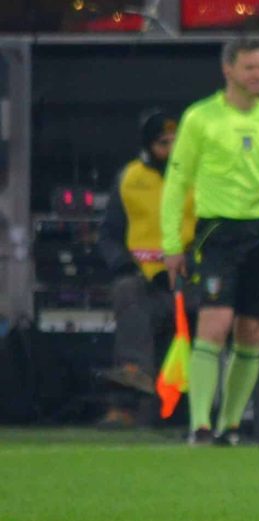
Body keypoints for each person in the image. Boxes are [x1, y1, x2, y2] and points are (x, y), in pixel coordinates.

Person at [161, 39, 259, 446]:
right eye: (250, 67)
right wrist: (172, 244)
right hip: (217, 231)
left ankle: (231, 425)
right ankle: (200, 424)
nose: (258, 75)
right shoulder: (200, 119)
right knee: (215, 324)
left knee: (252, 330)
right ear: (229, 70)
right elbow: (177, 183)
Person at [95, 108, 196, 426]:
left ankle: (202, 409)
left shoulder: (200, 177)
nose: (170, 149)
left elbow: (213, 230)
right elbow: (109, 236)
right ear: (149, 145)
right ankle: (128, 397)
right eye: (163, 143)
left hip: (190, 277)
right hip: (143, 280)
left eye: (175, 141)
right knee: (127, 292)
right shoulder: (129, 179)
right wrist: (124, 265)